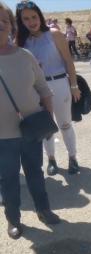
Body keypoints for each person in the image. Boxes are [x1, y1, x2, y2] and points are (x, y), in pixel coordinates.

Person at [0, 1, 60, 239]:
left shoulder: (25, 55)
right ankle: (13, 220)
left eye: (3, 22)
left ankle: (44, 210)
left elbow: (44, 89)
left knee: (35, 172)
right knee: (8, 179)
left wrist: (49, 121)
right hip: (2, 137)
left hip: (31, 130)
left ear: (11, 26)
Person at [16, 0, 82, 176]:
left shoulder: (55, 34)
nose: (31, 21)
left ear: (40, 16)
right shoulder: (22, 42)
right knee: (45, 126)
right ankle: (51, 159)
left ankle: (73, 157)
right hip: (37, 89)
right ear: (21, 21)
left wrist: (74, 85)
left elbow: (68, 61)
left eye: (34, 16)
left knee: (65, 123)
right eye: (26, 19)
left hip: (59, 83)